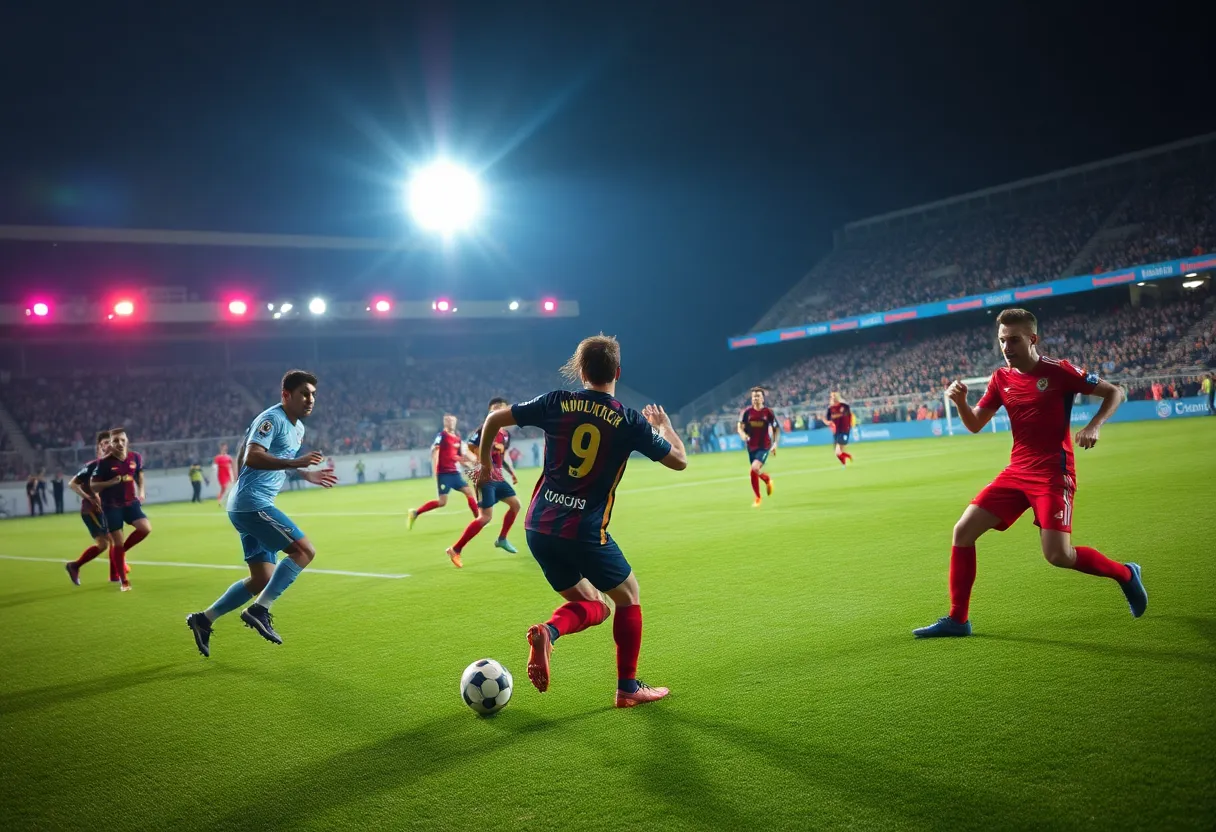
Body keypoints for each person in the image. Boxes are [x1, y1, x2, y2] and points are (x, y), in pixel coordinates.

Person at [475, 334, 687, 707]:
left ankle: (549, 631)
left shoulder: (555, 401)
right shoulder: (629, 420)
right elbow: (679, 460)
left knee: (596, 606)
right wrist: (665, 426)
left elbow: (494, 418)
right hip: (584, 531)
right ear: (617, 372)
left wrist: (485, 467)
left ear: (581, 371)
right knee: (628, 596)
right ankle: (628, 688)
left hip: (539, 527)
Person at [913, 308, 1147, 638]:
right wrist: (962, 403)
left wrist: (1094, 425)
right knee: (962, 531)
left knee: (1058, 555)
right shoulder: (1000, 378)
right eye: (1002, 340)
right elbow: (976, 424)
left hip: (1053, 474)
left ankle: (1125, 574)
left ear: (1032, 339)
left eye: (1014, 340)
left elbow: (1115, 392)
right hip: (1016, 472)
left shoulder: (1059, 371)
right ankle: (958, 620)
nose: (1006, 347)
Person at [185, 370, 337, 657]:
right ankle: (259, 610)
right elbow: (252, 455)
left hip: (248, 505)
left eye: (313, 395)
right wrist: (294, 464)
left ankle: (203, 619)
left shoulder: (298, 428)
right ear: (286, 395)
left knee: (261, 578)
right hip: (252, 504)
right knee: (304, 551)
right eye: (304, 393)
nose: (310, 399)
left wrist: (304, 473)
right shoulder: (272, 419)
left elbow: (250, 453)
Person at [445, 400, 521, 567]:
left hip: (498, 477)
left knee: (515, 505)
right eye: (495, 408)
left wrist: (511, 473)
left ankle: (502, 539)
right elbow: (468, 448)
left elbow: (501, 457)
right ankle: (455, 549)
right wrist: (477, 463)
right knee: (485, 517)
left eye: (501, 408)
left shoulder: (505, 435)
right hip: (485, 476)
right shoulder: (484, 429)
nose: (498, 410)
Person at [90, 428, 152, 591]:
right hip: (111, 506)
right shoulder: (103, 463)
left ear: (127, 441)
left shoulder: (135, 457)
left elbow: (139, 474)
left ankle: (121, 552)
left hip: (131, 503)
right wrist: (110, 483)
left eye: (122, 440)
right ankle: (123, 581)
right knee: (117, 542)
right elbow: (94, 486)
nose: (120, 443)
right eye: (116, 440)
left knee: (145, 528)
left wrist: (142, 492)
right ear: (111, 443)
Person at [407, 414, 479, 529]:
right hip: (444, 474)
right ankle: (415, 513)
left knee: (469, 492)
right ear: (445, 423)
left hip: (455, 473)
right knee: (442, 502)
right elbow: (436, 450)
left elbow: (458, 457)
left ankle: (478, 519)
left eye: (452, 421)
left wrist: (470, 465)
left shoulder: (457, 439)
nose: (451, 423)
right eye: (448, 421)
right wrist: (435, 469)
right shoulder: (442, 436)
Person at [65, 431, 116, 585]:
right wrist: (89, 497)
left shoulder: (112, 466)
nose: (108, 446)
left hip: (103, 509)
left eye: (110, 443)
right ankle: (75, 566)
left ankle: (115, 575)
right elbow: (72, 484)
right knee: (106, 543)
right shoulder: (93, 465)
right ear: (99, 447)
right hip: (91, 510)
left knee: (113, 540)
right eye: (104, 443)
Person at [737, 387, 779, 507]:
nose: (755, 398)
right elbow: (740, 427)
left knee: (754, 468)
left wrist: (775, 443)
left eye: (758, 396)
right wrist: (742, 434)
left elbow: (775, 428)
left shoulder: (768, 412)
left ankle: (759, 496)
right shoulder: (747, 412)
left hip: (764, 446)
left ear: (762, 399)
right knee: (754, 471)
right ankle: (765, 483)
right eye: (754, 396)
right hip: (751, 446)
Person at [823, 392, 854, 466]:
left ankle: (847, 458)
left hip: (844, 429)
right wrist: (827, 422)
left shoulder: (844, 406)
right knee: (838, 451)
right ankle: (845, 462)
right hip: (836, 431)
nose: (832, 398)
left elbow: (845, 414)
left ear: (837, 397)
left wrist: (835, 416)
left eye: (833, 396)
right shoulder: (830, 408)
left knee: (838, 450)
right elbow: (828, 419)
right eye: (831, 397)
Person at [213, 443, 235, 507]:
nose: (224, 449)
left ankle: (223, 501)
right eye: (223, 447)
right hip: (221, 474)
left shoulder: (228, 457)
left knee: (229, 488)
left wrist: (233, 474)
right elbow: (215, 466)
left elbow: (232, 465)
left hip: (228, 474)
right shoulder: (218, 457)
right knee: (224, 488)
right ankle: (220, 501)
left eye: (225, 447)